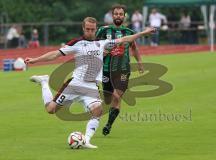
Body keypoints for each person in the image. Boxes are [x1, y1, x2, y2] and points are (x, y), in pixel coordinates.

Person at [24, 17, 155, 148]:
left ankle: (86, 140)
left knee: (98, 110)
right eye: (87, 29)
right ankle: (44, 82)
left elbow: (125, 39)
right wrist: (35, 60)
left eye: (92, 29)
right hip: (74, 85)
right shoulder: (77, 43)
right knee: (51, 109)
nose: (90, 32)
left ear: (96, 29)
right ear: (83, 28)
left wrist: (143, 33)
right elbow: (55, 54)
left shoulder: (103, 43)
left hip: (91, 86)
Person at [96, 4, 144, 136]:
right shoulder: (103, 31)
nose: (118, 16)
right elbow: (93, 47)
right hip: (106, 69)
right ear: (112, 16)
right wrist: (101, 52)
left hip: (123, 69)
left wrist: (139, 62)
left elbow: (134, 48)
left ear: (124, 16)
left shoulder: (129, 32)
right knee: (107, 99)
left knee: (117, 96)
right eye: (116, 14)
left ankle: (108, 125)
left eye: (120, 14)